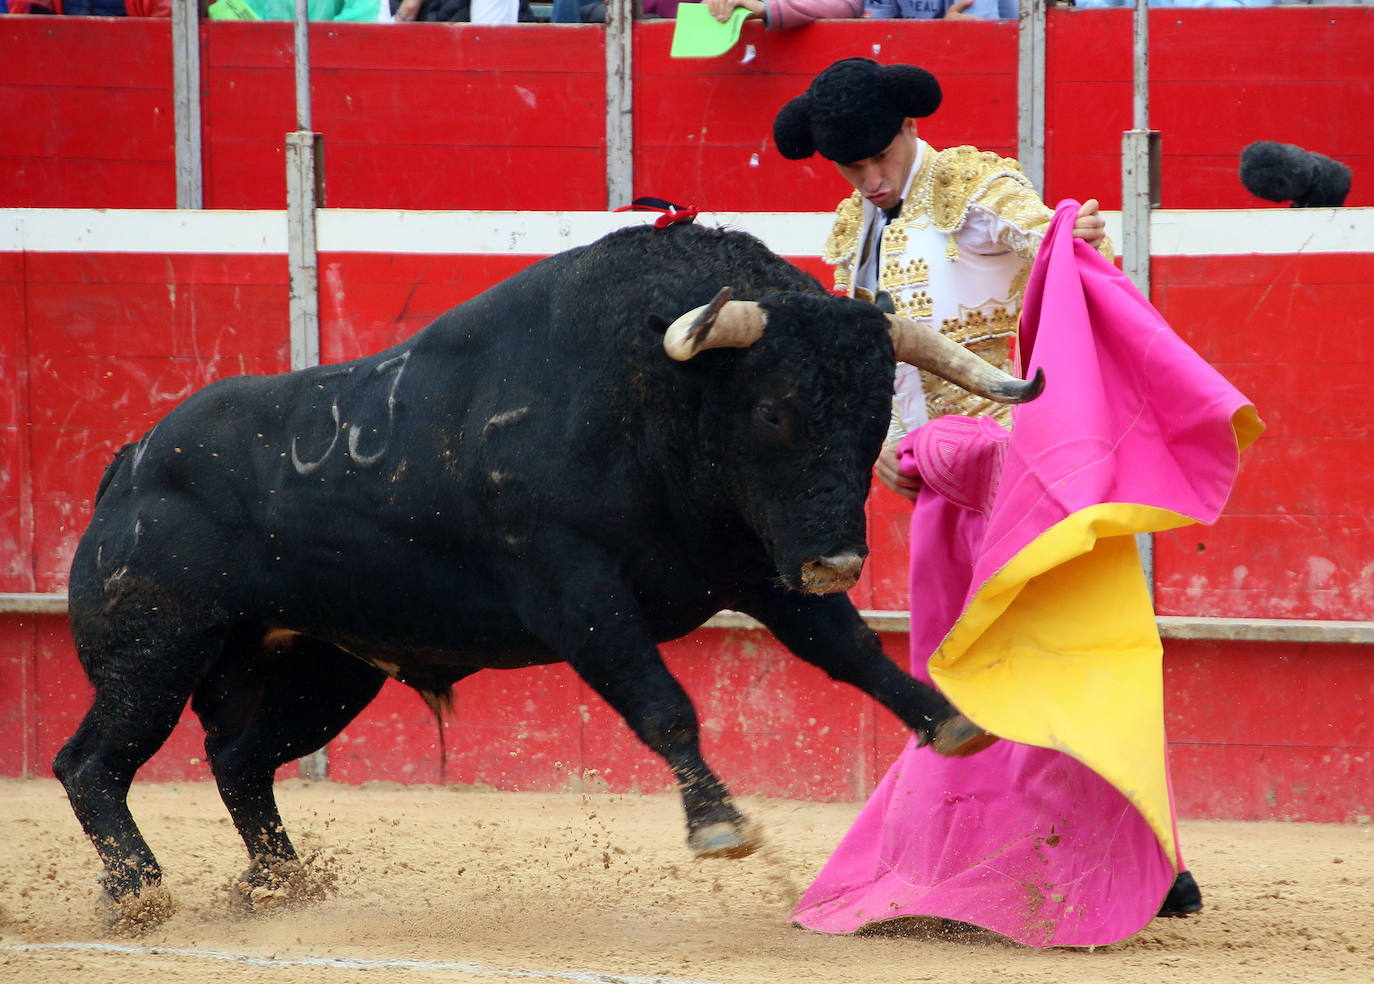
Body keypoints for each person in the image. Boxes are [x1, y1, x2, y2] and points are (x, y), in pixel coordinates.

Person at [771, 56, 1210, 945]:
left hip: (1025, 472)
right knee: (962, 671)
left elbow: (1057, 243)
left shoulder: (970, 185)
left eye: (876, 160)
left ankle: (1146, 852)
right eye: (850, 170)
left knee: (1065, 655)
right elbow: (868, 359)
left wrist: (1068, 234)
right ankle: (985, 853)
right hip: (939, 475)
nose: (869, 181)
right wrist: (883, 447)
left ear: (906, 131)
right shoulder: (850, 229)